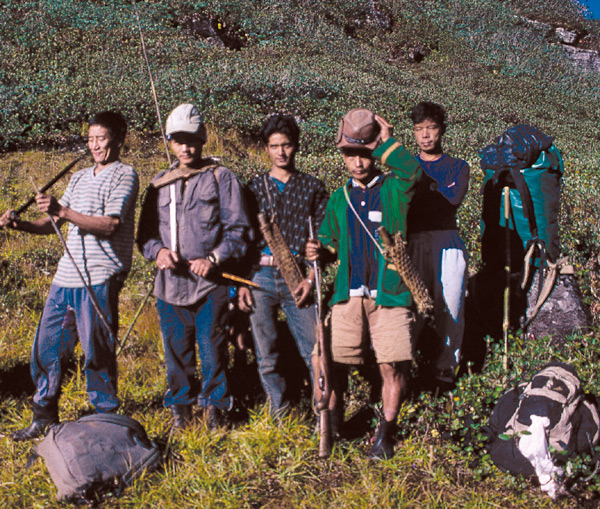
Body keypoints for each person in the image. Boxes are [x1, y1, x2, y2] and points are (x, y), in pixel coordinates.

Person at [0, 111, 139, 440]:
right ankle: (44, 414)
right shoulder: (77, 178)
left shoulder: (125, 175)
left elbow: (110, 225)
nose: (94, 145)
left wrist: (61, 209)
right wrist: (21, 224)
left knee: (96, 350)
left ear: (118, 140)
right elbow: (53, 225)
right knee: (46, 346)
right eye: (90, 139)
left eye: (101, 139)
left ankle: (105, 420)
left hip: (100, 275)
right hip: (66, 277)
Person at [306, 108, 422, 459]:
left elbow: (412, 171)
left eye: (364, 153)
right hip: (349, 293)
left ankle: (385, 434)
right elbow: (329, 240)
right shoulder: (340, 198)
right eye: (349, 154)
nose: (357, 162)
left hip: (390, 291)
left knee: (391, 365)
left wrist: (387, 141)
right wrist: (318, 248)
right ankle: (332, 423)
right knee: (328, 361)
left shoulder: (394, 189)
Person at [137, 103, 250, 429]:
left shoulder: (221, 177)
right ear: (170, 141)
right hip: (170, 286)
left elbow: (238, 231)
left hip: (209, 285)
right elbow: (145, 235)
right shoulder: (159, 183)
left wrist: (212, 259)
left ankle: (216, 408)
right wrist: (157, 252)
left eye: (192, 140)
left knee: (213, 349)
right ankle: (181, 411)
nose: (185, 148)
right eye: (178, 140)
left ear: (202, 141)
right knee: (176, 352)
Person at [237, 114, 329, 416]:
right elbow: (243, 239)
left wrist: (311, 280)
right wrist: (242, 283)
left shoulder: (312, 188)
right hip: (260, 277)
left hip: (298, 278)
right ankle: (281, 414)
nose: (281, 152)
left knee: (314, 350)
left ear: (296, 146)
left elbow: (324, 240)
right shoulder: (253, 189)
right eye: (274, 146)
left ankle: (323, 410)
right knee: (266, 353)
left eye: (286, 145)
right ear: (266, 149)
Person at [408, 101, 469, 391]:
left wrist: (423, 190)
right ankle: (406, 367)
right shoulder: (407, 166)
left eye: (431, 128)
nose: (425, 135)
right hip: (413, 240)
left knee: (451, 308)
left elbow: (453, 199)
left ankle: (445, 371)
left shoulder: (458, 166)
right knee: (413, 307)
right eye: (419, 129)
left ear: (441, 130)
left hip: (448, 240)